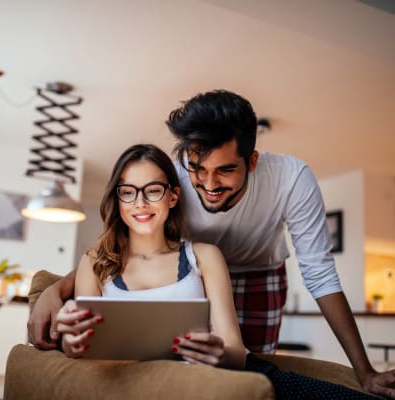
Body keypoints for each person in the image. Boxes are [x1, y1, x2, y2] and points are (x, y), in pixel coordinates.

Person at [28, 91, 395, 398]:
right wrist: (58, 289)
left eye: (224, 170)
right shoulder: (169, 180)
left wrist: (364, 372)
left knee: (251, 375)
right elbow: (119, 245)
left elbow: (320, 273)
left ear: (251, 161)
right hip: (192, 267)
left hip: (258, 271)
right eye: (198, 169)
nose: (208, 183)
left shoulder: (291, 179)